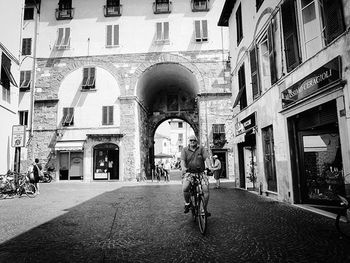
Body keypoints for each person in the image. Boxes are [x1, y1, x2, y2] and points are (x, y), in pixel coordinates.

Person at [180, 135, 211, 216]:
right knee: (185, 187)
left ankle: (204, 209)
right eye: (191, 140)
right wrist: (183, 168)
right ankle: (187, 203)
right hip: (189, 173)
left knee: (206, 189)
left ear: (196, 141)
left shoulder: (201, 149)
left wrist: (209, 167)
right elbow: (182, 161)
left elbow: (207, 158)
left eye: (194, 140)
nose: (192, 142)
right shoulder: (184, 150)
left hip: (201, 173)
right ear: (188, 141)